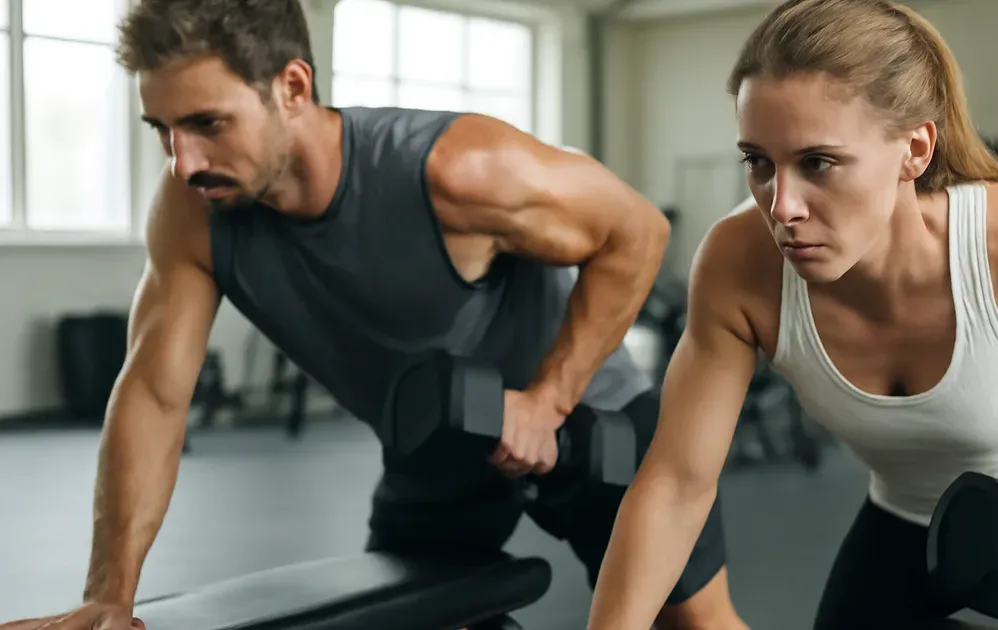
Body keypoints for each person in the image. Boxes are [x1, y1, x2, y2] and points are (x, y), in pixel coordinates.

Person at [0, 2, 747, 630]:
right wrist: (109, 594)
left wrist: (548, 400)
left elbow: (636, 230)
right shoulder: (193, 212)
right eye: (160, 130)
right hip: (437, 445)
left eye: (206, 123)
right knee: (409, 616)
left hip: (593, 420)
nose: (184, 161)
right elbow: (155, 394)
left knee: (691, 622)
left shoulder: (453, 168)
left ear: (292, 86)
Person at [586, 0, 998, 628]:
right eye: (759, 162)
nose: (782, 206)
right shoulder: (738, 267)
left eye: (818, 162)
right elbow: (676, 486)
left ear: (915, 149)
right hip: (922, 514)